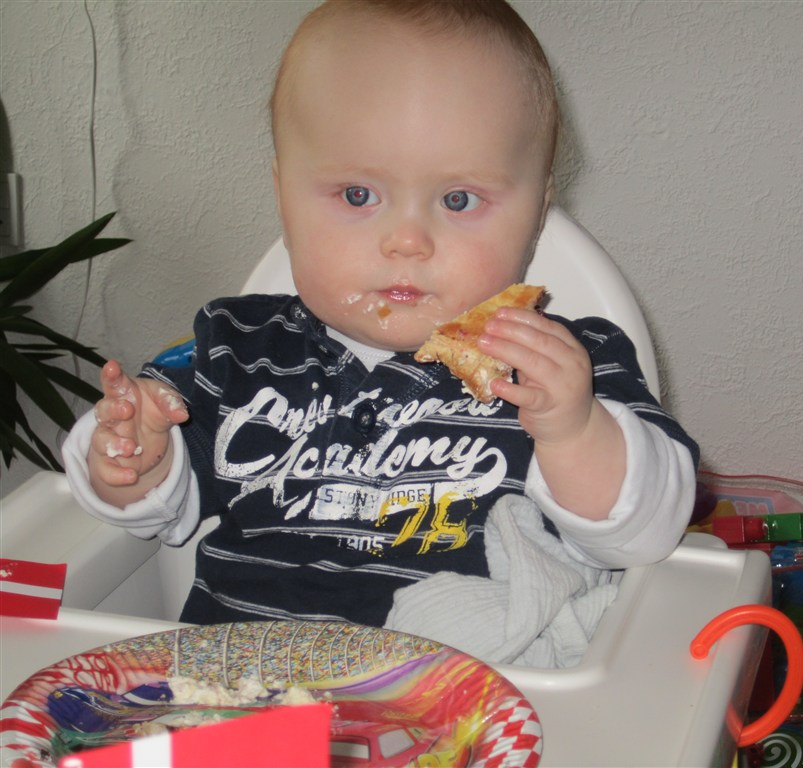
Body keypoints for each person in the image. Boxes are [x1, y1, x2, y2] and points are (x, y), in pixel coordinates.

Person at [62, 0, 699, 628]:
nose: (407, 241)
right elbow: (149, 510)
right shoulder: (233, 350)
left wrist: (573, 429)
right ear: (283, 197)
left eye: (457, 199)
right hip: (241, 679)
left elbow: (645, 534)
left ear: (536, 214)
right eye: (358, 194)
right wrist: (134, 456)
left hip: (462, 685)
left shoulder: (561, 367)